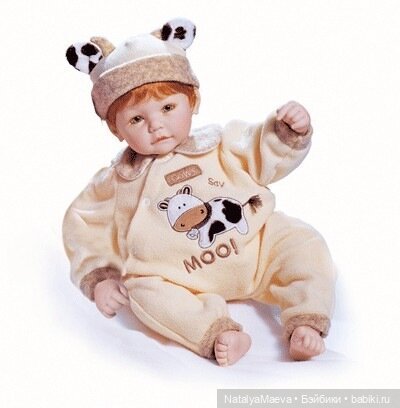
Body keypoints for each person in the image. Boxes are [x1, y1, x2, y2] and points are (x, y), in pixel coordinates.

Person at [63, 18, 336, 366]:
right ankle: (217, 333)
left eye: (167, 108)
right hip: (180, 278)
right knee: (143, 292)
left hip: (256, 251)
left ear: (192, 101)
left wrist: (285, 131)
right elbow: (84, 224)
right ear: (116, 129)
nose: (156, 125)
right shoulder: (118, 180)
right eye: (136, 119)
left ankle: (306, 321)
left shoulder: (219, 144)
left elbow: (261, 150)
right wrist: (100, 278)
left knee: (302, 241)